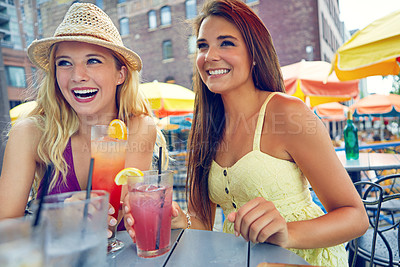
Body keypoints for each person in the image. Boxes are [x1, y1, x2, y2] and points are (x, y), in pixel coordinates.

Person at [129, 0, 368, 266]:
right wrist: (179, 220)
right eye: (202, 45)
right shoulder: (206, 125)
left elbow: (355, 216)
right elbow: (203, 223)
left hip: (303, 259)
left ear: (254, 54)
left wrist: (287, 233)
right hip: (242, 260)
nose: (210, 56)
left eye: (226, 43)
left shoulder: (287, 113)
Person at [0, 3, 164, 235]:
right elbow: (4, 228)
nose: (78, 76)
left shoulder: (138, 128)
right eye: (64, 63)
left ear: (120, 73)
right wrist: (57, 218)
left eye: (93, 60)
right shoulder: (30, 133)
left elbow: (118, 219)